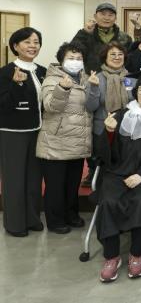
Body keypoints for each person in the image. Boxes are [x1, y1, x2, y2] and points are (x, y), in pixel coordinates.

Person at [93, 70, 141, 283]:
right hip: (116, 173)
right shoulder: (120, 115)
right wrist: (109, 133)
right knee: (108, 201)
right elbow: (102, 153)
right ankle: (111, 256)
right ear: (136, 92)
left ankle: (137, 254)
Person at [36, 41, 92, 234]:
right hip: (56, 141)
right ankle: (55, 220)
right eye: (71, 58)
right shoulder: (52, 79)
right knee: (55, 186)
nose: (75, 61)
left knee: (72, 184)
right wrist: (62, 88)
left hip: (77, 142)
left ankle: (71, 215)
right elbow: (51, 106)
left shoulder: (86, 79)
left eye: (79, 58)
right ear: (61, 60)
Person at [0, 27, 46, 237]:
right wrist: (17, 84)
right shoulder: (5, 72)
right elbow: (3, 105)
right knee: (14, 180)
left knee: (34, 179)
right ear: (15, 46)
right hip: (13, 132)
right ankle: (15, 224)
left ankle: (32, 218)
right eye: (27, 42)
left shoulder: (42, 70)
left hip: (38, 131)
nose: (32, 46)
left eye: (36, 42)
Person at [83, 42, 135, 187]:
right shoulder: (96, 78)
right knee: (102, 165)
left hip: (126, 128)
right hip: (102, 129)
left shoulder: (132, 79)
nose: (117, 57)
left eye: (120, 54)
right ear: (105, 57)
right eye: (112, 54)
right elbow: (90, 107)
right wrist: (94, 87)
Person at [72, 2, 132, 73]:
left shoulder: (124, 37)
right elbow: (73, 51)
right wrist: (84, 32)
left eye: (110, 15)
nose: (107, 18)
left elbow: (130, 61)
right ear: (95, 16)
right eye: (103, 14)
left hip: (118, 77)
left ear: (115, 18)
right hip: (92, 76)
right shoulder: (86, 34)